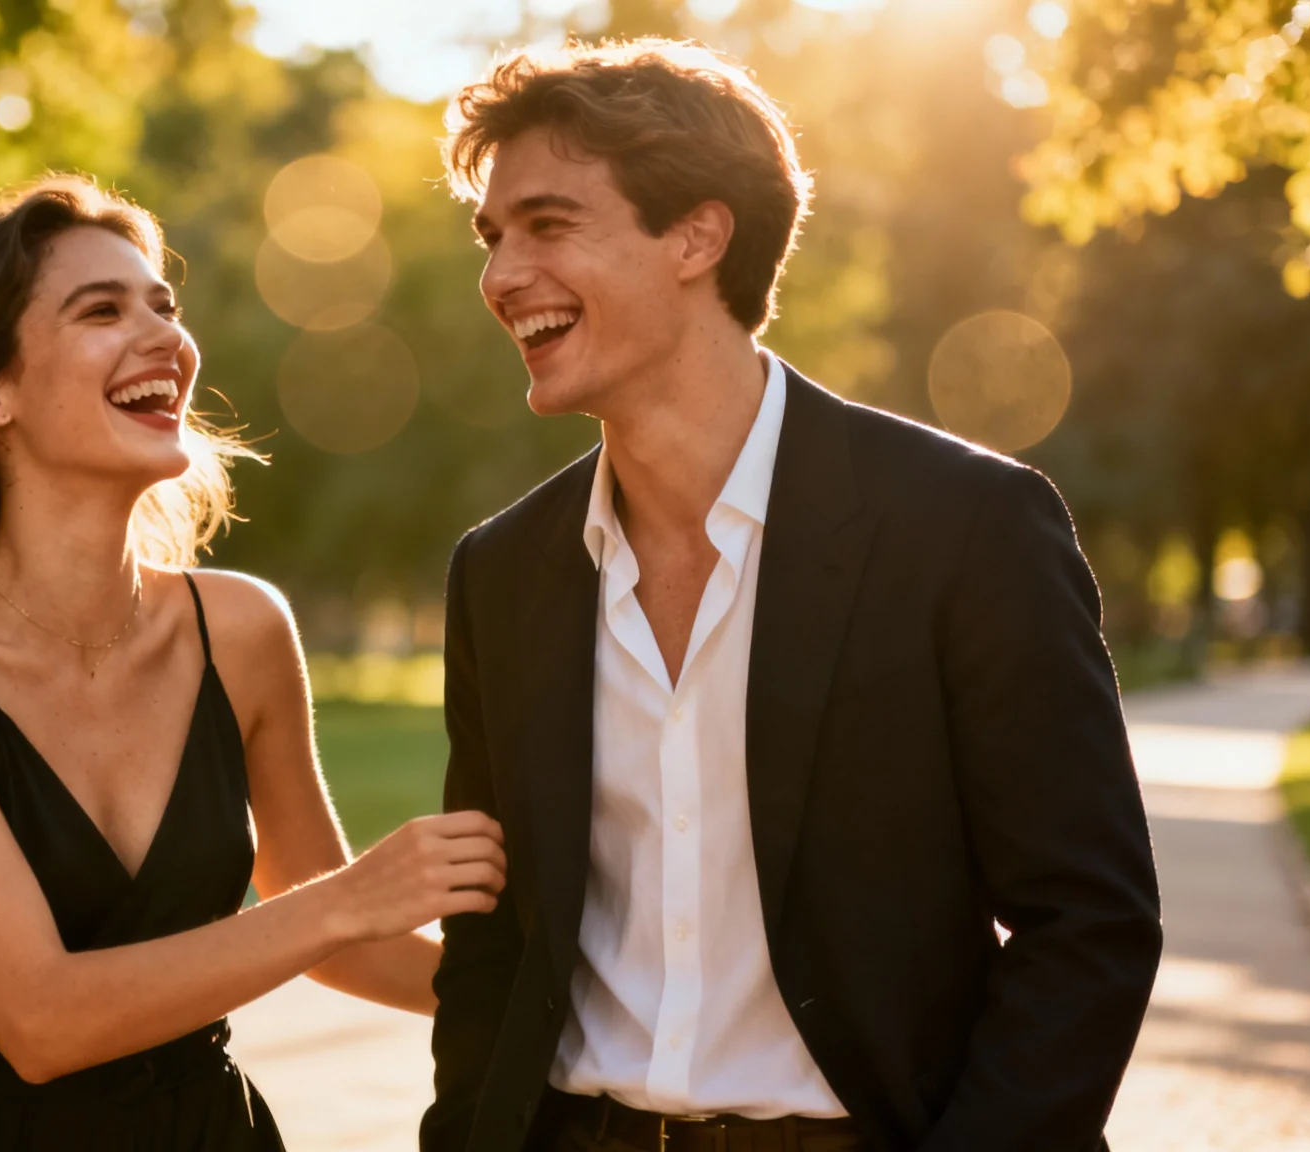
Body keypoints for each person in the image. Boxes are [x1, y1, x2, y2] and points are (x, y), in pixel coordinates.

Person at [423, 40, 1161, 1152]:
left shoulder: (965, 528)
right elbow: (490, 942)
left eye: (545, 224)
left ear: (696, 236)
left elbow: (1086, 923)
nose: (498, 276)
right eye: (489, 237)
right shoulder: (501, 571)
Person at [0, 174, 507, 1150]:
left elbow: (350, 950)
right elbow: (39, 1022)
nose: (167, 340)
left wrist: (584, 1019)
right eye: (101, 310)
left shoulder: (239, 630)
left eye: (164, 306)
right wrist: (342, 904)